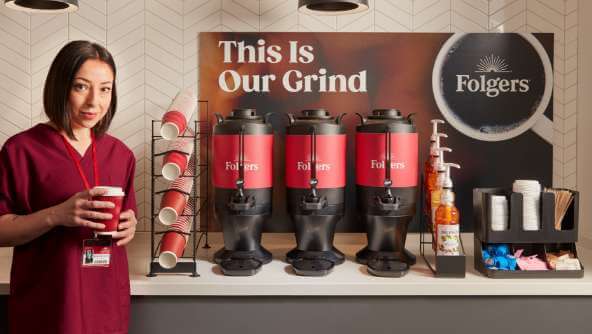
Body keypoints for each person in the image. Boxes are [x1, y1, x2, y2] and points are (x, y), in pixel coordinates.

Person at [0, 41, 137, 334]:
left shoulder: (121, 154)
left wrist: (130, 226)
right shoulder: (21, 150)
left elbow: (127, 220)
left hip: (106, 302)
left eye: (105, 89)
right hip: (48, 306)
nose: (93, 102)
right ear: (60, 86)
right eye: (81, 87)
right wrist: (56, 215)